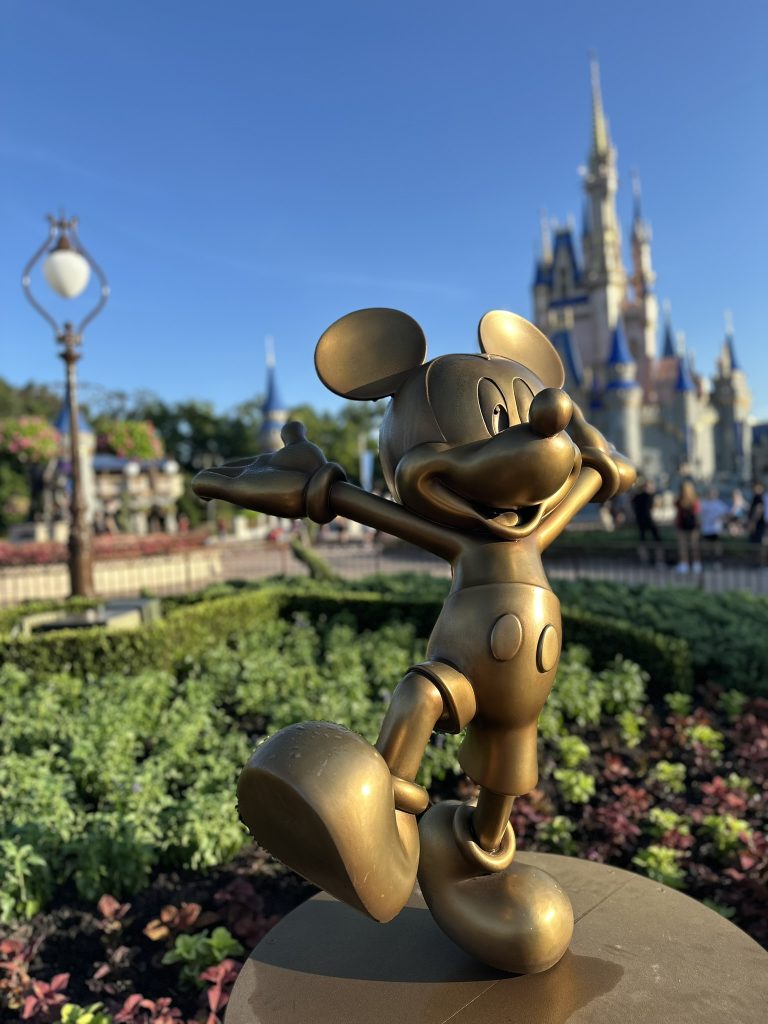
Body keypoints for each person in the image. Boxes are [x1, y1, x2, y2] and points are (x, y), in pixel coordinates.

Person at [631, 478, 663, 565]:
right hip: (650, 520)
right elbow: (655, 508)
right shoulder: (651, 496)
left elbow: (633, 507)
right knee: (657, 541)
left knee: (642, 540)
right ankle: (659, 560)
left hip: (640, 521)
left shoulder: (637, 496)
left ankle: (645, 560)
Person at [675, 480, 701, 573]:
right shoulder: (694, 499)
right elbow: (697, 513)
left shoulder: (680, 500)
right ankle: (694, 564)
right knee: (693, 546)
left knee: (684, 546)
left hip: (683, 524)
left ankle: (685, 564)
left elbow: (678, 514)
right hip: (691, 525)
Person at [699, 487, 730, 567]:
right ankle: (707, 561)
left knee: (716, 546)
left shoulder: (719, 504)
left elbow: (727, 514)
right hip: (706, 529)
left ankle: (717, 562)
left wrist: (720, 519)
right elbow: (699, 515)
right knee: (706, 546)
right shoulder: (704, 503)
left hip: (715, 529)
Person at [747, 482, 766, 567]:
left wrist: (753, 522)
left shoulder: (758, 497)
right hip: (758, 524)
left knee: (757, 545)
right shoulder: (757, 497)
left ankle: (759, 563)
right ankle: (757, 563)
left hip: (758, 525)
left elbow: (759, 510)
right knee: (756, 545)